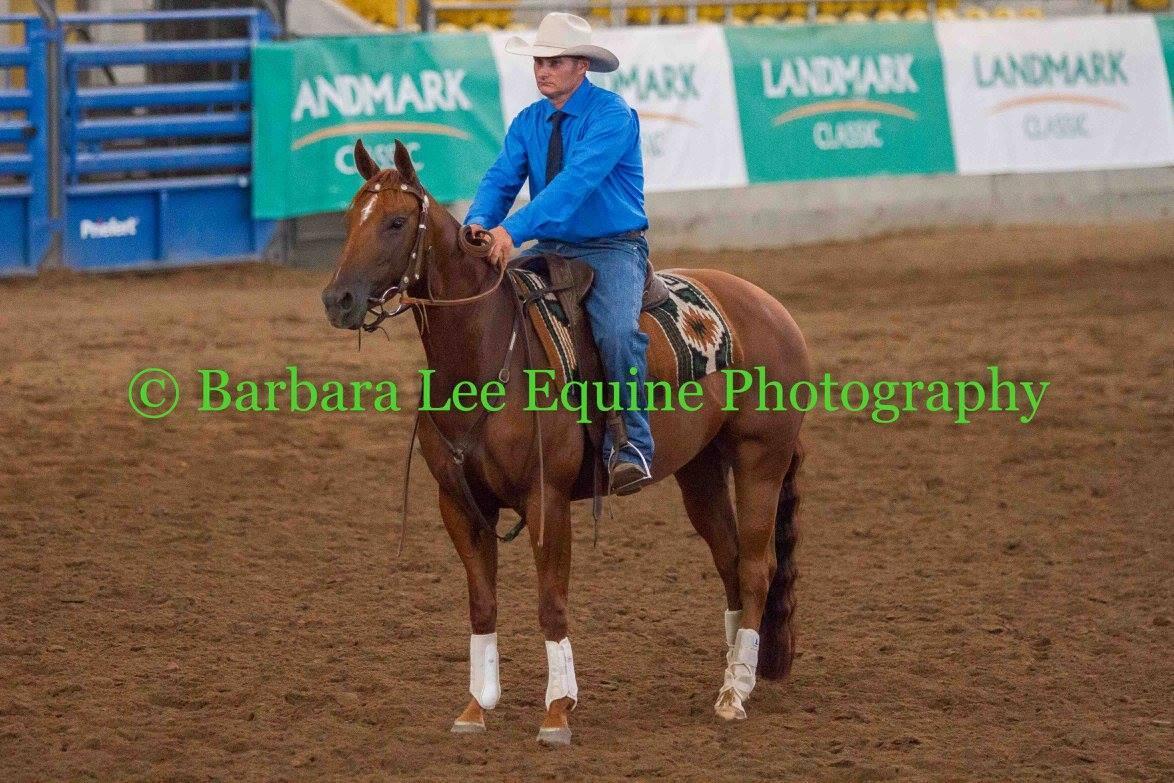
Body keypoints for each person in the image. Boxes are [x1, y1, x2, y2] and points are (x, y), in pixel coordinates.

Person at [464, 12, 654, 495]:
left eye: (554, 62)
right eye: (538, 62)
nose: (543, 70)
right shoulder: (528, 122)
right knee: (494, 310)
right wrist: (479, 221)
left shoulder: (612, 117)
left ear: (582, 66)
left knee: (616, 332)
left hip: (612, 247)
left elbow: (573, 186)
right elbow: (501, 179)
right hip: (552, 247)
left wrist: (512, 230)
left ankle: (632, 442)